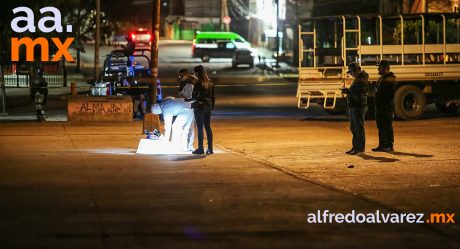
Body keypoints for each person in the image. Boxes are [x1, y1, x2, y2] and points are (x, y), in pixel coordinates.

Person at [341, 62, 369, 155]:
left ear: (357, 70)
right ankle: (356, 147)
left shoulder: (361, 80)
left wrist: (348, 92)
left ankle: (359, 149)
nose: (351, 74)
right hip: (356, 106)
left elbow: (358, 95)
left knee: (358, 128)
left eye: (352, 72)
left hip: (358, 106)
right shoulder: (359, 79)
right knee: (354, 128)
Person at [372, 60, 396, 152]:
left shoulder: (389, 78)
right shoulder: (383, 78)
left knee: (386, 126)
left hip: (385, 107)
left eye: (380, 67)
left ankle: (388, 145)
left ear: (385, 68)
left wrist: (386, 106)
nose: (378, 68)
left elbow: (389, 94)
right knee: (381, 126)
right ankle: (382, 145)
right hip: (381, 107)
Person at [192, 65, 215, 155]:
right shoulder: (210, 83)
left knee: (200, 127)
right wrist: (211, 106)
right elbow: (213, 97)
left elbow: (195, 96)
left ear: (197, 73)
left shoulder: (198, 83)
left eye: (194, 73)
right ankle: (210, 148)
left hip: (199, 106)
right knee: (208, 127)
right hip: (208, 106)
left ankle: (200, 148)